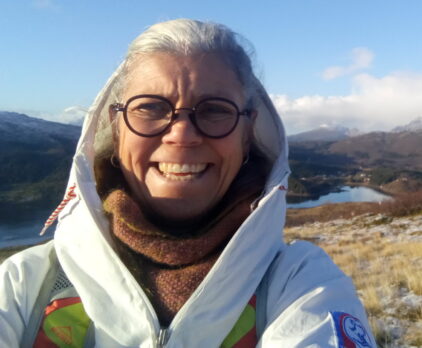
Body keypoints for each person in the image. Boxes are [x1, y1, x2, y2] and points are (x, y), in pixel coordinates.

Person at [0, 19, 376, 347]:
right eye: (150, 107)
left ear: (248, 133)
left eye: (215, 110)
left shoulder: (301, 284)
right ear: (115, 129)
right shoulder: (23, 286)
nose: (182, 134)